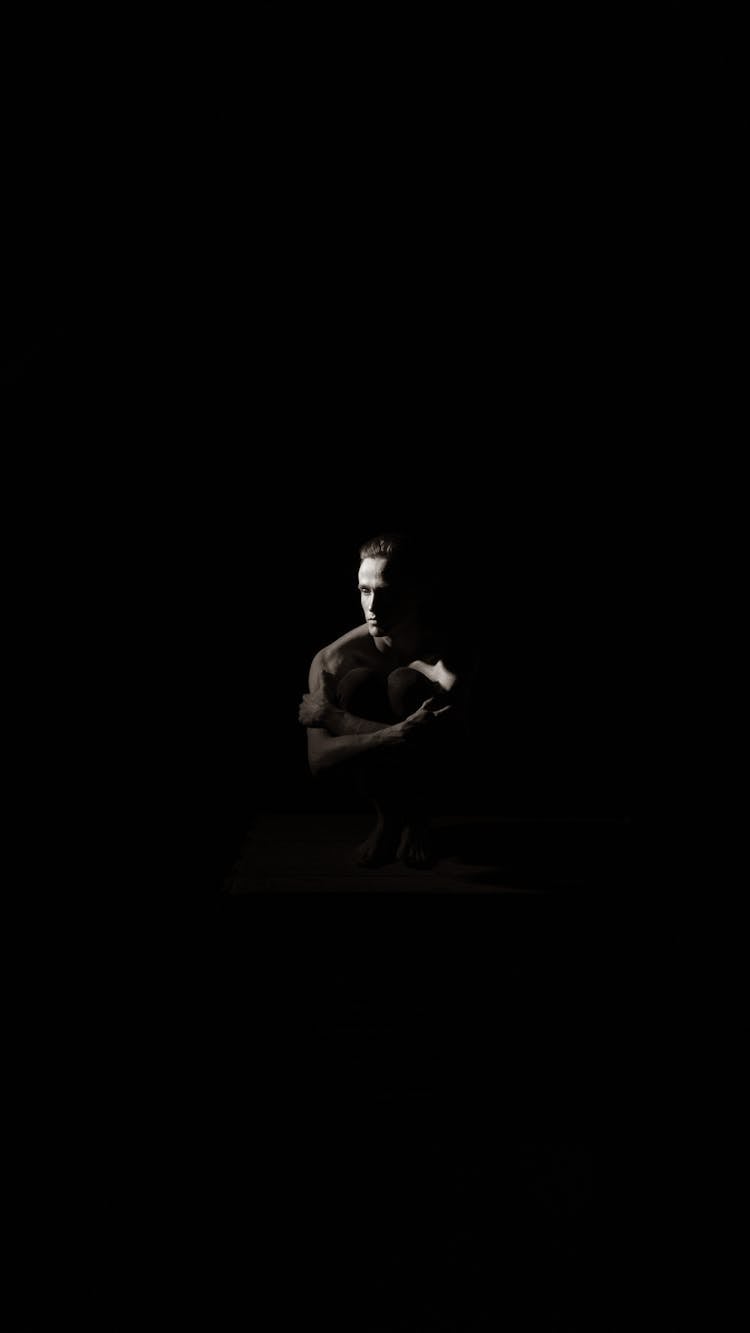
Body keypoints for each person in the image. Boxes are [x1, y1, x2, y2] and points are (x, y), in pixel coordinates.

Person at [298, 532, 474, 868]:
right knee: (358, 684)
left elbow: (442, 744)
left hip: (445, 773)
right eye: (364, 591)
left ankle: (417, 819)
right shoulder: (332, 661)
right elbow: (318, 759)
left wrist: (335, 719)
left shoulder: (447, 658)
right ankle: (389, 819)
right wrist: (393, 734)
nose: (372, 607)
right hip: (383, 763)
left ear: (417, 592)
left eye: (385, 592)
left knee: (405, 683)